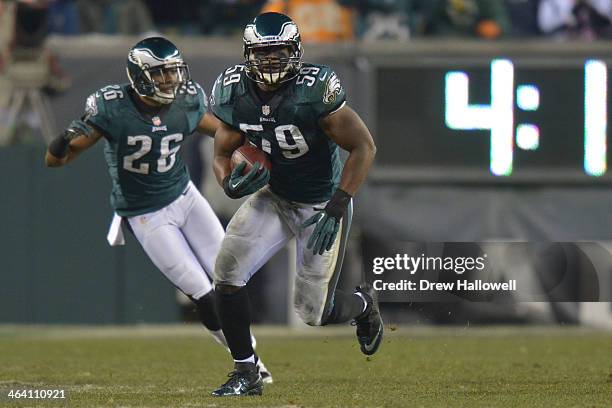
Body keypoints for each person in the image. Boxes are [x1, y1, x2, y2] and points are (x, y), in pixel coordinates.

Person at [44, 36, 272, 383]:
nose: (170, 80)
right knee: (204, 296)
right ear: (139, 75)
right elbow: (56, 160)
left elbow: (222, 132)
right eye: (161, 73)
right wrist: (63, 138)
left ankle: (250, 362)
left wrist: (253, 143)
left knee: (229, 281)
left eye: (173, 72)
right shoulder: (112, 108)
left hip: (185, 198)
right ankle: (250, 363)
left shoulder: (186, 100)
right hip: (145, 213)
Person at [209, 12, 381, 397]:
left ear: (296, 52)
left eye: (279, 52)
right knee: (226, 276)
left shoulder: (314, 90)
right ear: (247, 55)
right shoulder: (234, 91)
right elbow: (222, 150)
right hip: (273, 196)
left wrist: (338, 204)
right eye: (262, 54)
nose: (270, 61)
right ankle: (246, 371)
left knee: (314, 313)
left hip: (320, 203)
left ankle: (364, 304)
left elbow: (363, 146)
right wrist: (228, 182)